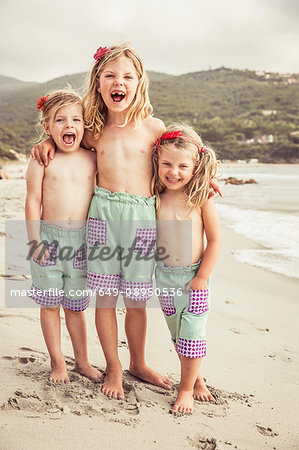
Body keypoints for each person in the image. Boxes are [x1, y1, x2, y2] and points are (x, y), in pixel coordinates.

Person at [30, 43, 222, 399]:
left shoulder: (154, 128)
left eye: (127, 77)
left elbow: (187, 151)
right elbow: (64, 133)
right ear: (99, 83)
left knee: (135, 300)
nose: (119, 82)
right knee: (105, 297)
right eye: (111, 76)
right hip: (103, 216)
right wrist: (45, 141)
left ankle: (138, 362)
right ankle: (114, 368)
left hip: (142, 219)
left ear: (139, 83)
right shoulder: (93, 129)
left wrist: (204, 175)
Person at [26, 90, 102, 383]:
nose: (68, 125)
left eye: (75, 120)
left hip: (82, 244)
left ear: (84, 126)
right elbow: (33, 201)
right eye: (59, 120)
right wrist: (34, 241)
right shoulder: (42, 160)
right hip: (48, 239)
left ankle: (82, 361)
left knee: (75, 306)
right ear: (47, 127)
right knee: (49, 304)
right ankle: (58, 362)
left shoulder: (92, 159)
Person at [152, 124, 221, 414]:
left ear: (195, 167)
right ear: (156, 162)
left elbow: (216, 239)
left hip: (194, 280)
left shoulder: (199, 198)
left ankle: (185, 390)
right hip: (164, 278)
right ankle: (197, 379)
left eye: (183, 166)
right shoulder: (155, 195)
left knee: (192, 336)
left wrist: (202, 276)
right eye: (166, 164)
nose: (174, 172)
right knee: (180, 338)